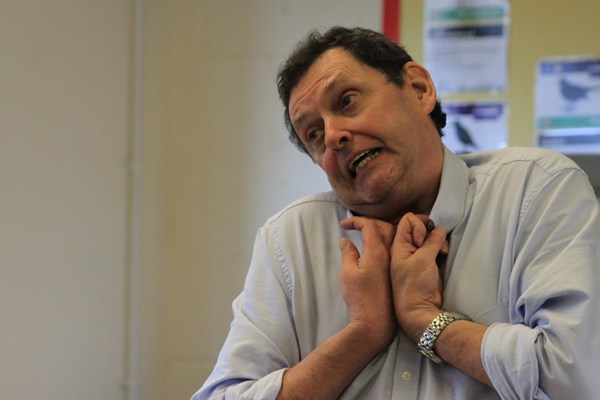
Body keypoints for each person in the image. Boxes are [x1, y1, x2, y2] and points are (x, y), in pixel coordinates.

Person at [191, 26, 600, 399]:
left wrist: (428, 323)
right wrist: (362, 333)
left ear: (419, 89)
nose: (333, 136)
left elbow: (577, 377)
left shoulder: (535, 190)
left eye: (347, 101)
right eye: (313, 133)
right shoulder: (291, 240)